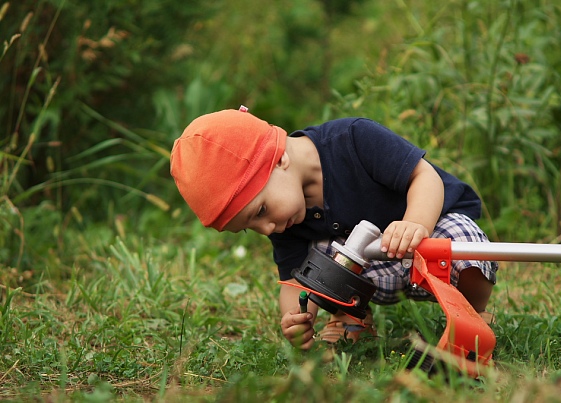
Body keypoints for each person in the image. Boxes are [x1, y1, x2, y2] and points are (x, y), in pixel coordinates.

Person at [170, 107, 498, 350]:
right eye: (249, 227)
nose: (266, 227)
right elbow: (293, 280)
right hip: (376, 264)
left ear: (279, 159)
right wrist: (296, 318)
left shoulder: (354, 139)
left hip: (430, 233)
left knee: (462, 239)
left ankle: (472, 311)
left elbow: (424, 177)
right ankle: (350, 317)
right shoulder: (286, 222)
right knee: (321, 259)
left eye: (262, 211)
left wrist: (415, 223)